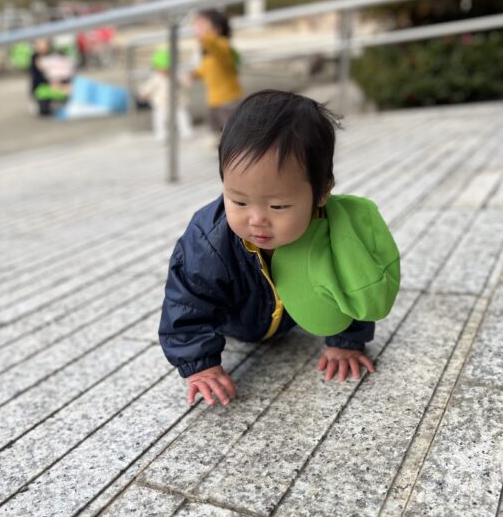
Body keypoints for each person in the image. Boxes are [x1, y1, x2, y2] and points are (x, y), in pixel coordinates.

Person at [158, 90, 401, 406]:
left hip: (291, 317)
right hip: (236, 320)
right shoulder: (209, 242)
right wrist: (199, 363)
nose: (257, 220)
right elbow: (186, 302)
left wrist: (346, 341)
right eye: (239, 201)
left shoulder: (334, 229)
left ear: (322, 192)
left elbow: (356, 281)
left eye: (278, 206)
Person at [189, 9, 243, 139]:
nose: (196, 29)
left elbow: (217, 48)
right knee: (215, 129)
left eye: (202, 25)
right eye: (196, 26)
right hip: (214, 100)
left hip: (229, 99)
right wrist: (195, 74)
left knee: (232, 131)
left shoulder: (223, 46)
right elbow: (205, 68)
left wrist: (206, 36)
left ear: (217, 29)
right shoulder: (206, 52)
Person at [137, 48, 193, 143]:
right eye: (161, 69)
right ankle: (161, 133)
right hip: (161, 103)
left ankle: (186, 131)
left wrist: (187, 80)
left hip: (176, 102)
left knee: (181, 116)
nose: (164, 71)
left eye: (167, 68)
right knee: (159, 118)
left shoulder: (176, 75)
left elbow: (184, 82)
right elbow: (148, 87)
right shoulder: (155, 78)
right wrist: (144, 92)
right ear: (156, 68)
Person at [29, 38, 72, 117]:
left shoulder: (56, 56)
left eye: (43, 43)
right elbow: (37, 77)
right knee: (44, 107)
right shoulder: (35, 58)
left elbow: (65, 72)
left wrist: (62, 83)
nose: (41, 46)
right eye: (38, 44)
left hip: (59, 85)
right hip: (43, 87)